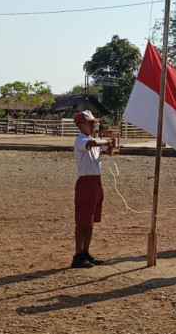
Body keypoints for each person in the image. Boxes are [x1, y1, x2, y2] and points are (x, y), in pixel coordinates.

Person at [71, 110, 114, 269]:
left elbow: (107, 151)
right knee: (82, 220)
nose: (93, 126)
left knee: (90, 220)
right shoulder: (81, 140)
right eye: (90, 123)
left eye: (94, 123)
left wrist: (110, 146)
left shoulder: (92, 140)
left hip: (96, 181)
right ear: (81, 125)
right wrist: (105, 142)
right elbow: (92, 144)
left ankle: (85, 251)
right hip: (86, 182)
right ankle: (78, 254)